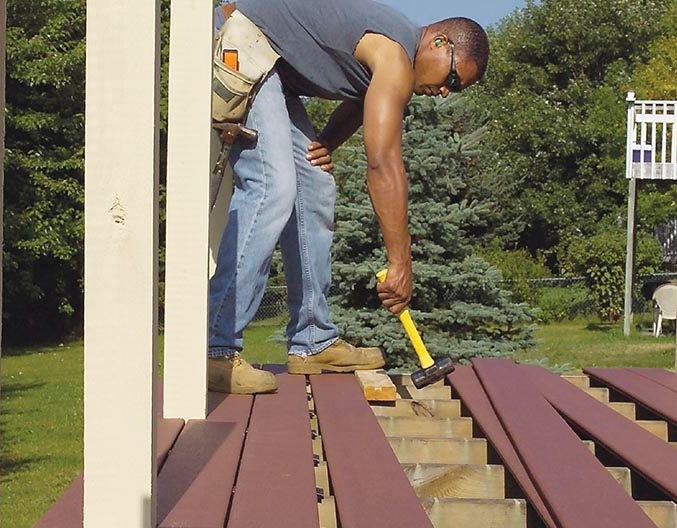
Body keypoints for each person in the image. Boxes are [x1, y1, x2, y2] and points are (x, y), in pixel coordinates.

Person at [207, 1, 490, 394]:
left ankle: (313, 341)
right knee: (273, 187)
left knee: (315, 185)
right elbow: (383, 164)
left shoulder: (393, 55)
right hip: (248, 44)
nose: (445, 92)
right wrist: (400, 261)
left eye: (454, 90)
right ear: (440, 42)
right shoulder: (394, 56)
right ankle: (216, 350)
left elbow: (362, 100)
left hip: (275, 69)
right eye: (454, 79)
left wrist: (326, 142)